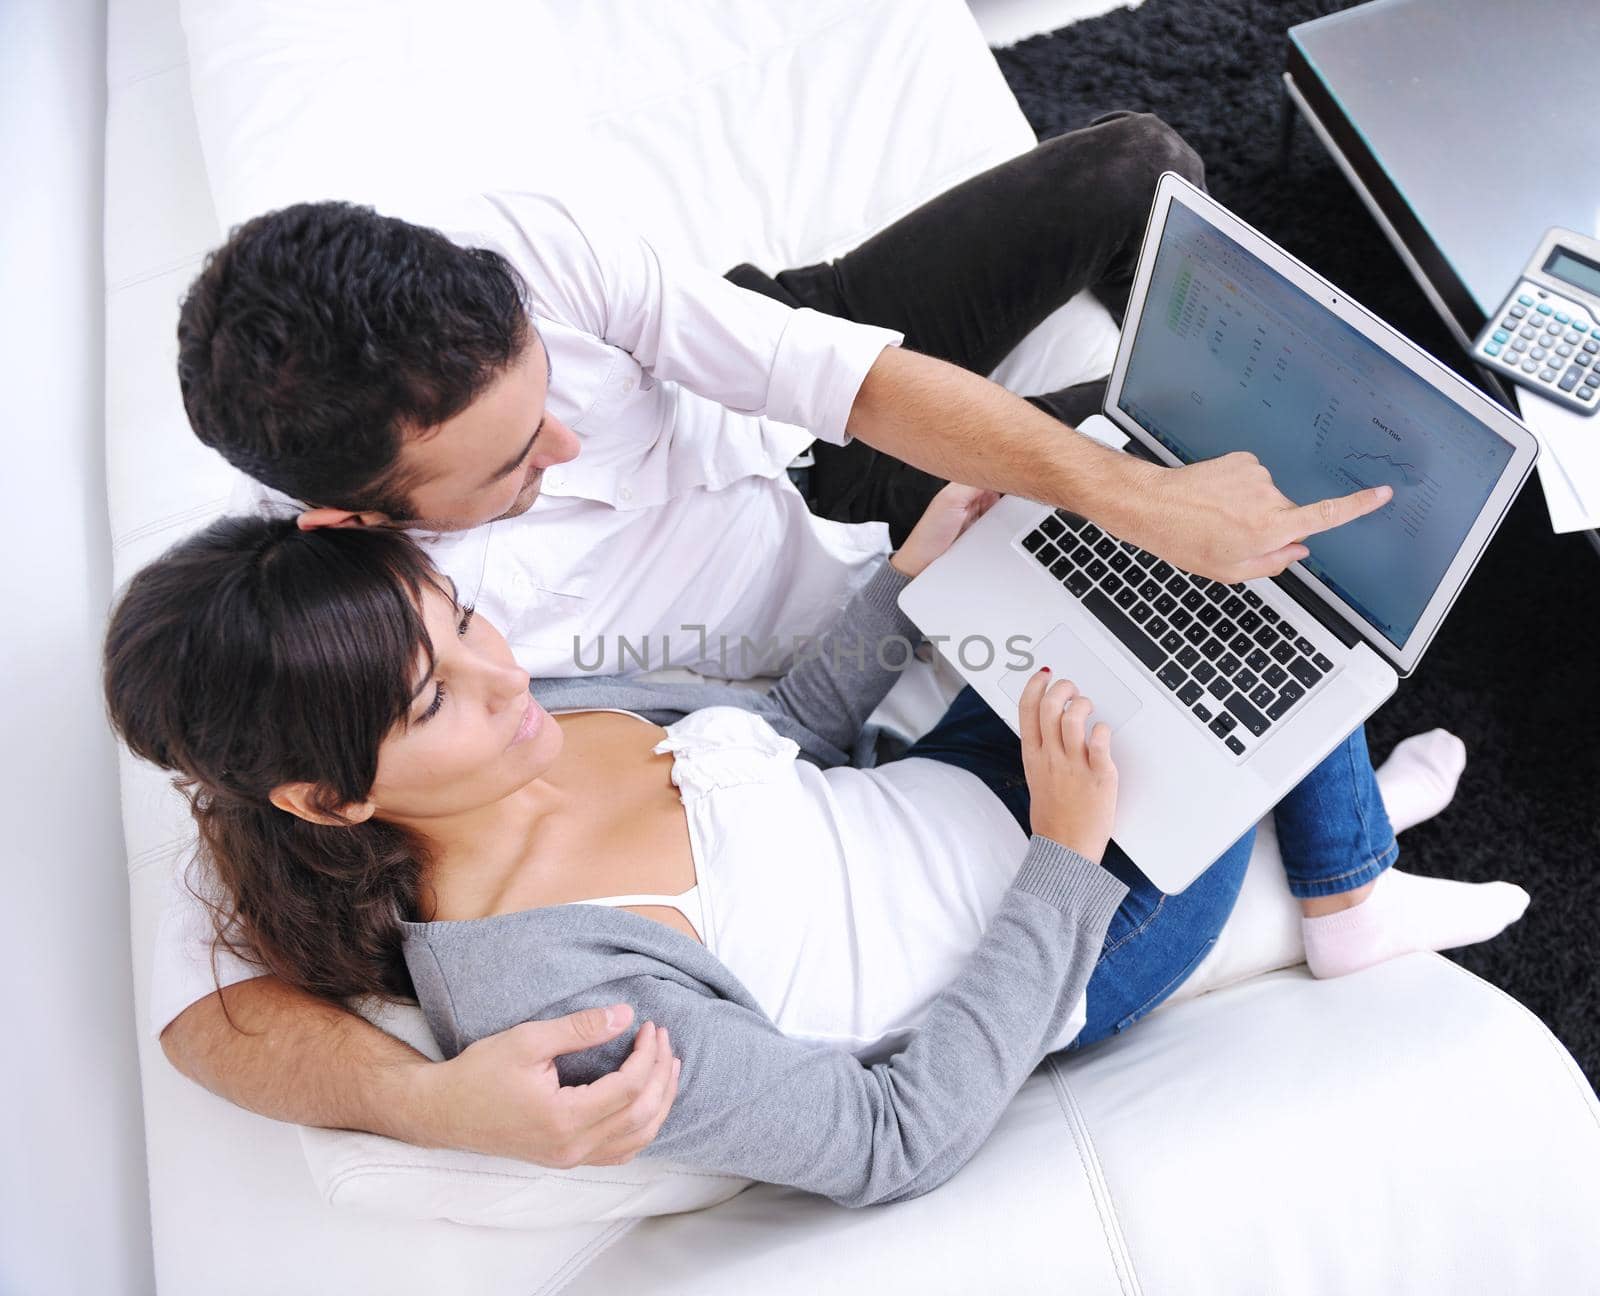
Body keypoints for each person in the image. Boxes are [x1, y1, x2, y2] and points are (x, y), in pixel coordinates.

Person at [162, 114, 1401, 1169]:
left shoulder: (508, 262)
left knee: (1136, 164)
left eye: (550, 399)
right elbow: (200, 1007)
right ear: (350, 518)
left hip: (782, 410)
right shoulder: (335, 632)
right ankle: (1347, 868)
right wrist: (430, 1105)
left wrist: (1113, 493)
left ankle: (1197, 497)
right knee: (1228, 497)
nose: (570, 447)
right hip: (870, 562)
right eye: (510, 464)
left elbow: (832, 381)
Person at [106, 495, 1530, 1205]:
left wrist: (913, 579)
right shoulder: (555, 1000)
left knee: (1174, 544)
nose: (501, 679)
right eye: (433, 702)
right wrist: (1067, 852)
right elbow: (890, 1136)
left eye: (461, 620)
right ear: (330, 801)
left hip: (956, 790)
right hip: (1074, 935)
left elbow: (774, 734)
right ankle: (1345, 887)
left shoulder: (538, 725)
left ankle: (1324, 824)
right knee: (1284, 648)